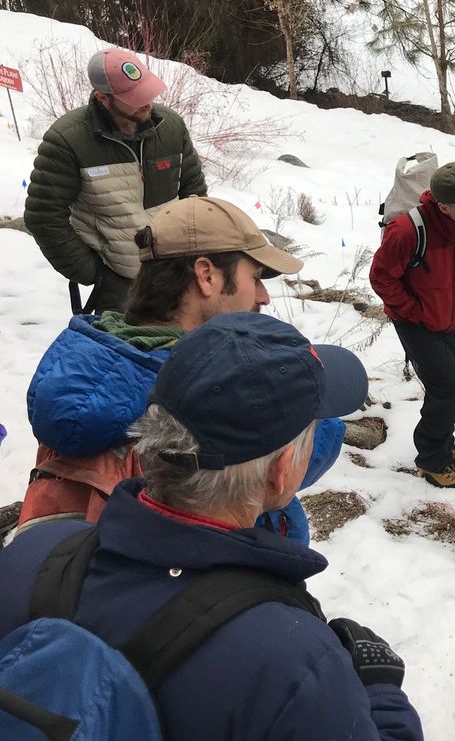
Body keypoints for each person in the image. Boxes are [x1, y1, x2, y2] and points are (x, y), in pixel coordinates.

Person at [0, 312, 423, 741]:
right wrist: (381, 690)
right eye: (311, 430)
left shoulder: (33, 555)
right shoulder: (293, 664)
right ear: (280, 471)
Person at [18, 196, 344, 544]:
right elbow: (305, 454)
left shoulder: (90, 369)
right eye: (256, 276)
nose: (263, 296)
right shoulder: (208, 395)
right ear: (206, 275)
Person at [24, 49, 207, 314]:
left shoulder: (171, 127)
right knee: (125, 354)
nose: (147, 102)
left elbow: (195, 194)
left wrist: (192, 255)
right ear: (103, 98)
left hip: (176, 273)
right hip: (118, 288)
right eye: (134, 97)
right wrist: (94, 274)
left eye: (147, 91)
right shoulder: (68, 140)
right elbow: (43, 217)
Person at [370, 161, 455, 493]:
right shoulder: (408, 231)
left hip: (454, 318)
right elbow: (382, 278)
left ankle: (443, 441)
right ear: (443, 206)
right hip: (415, 322)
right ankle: (432, 461)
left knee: (446, 384)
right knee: (447, 386)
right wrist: (414, 311)